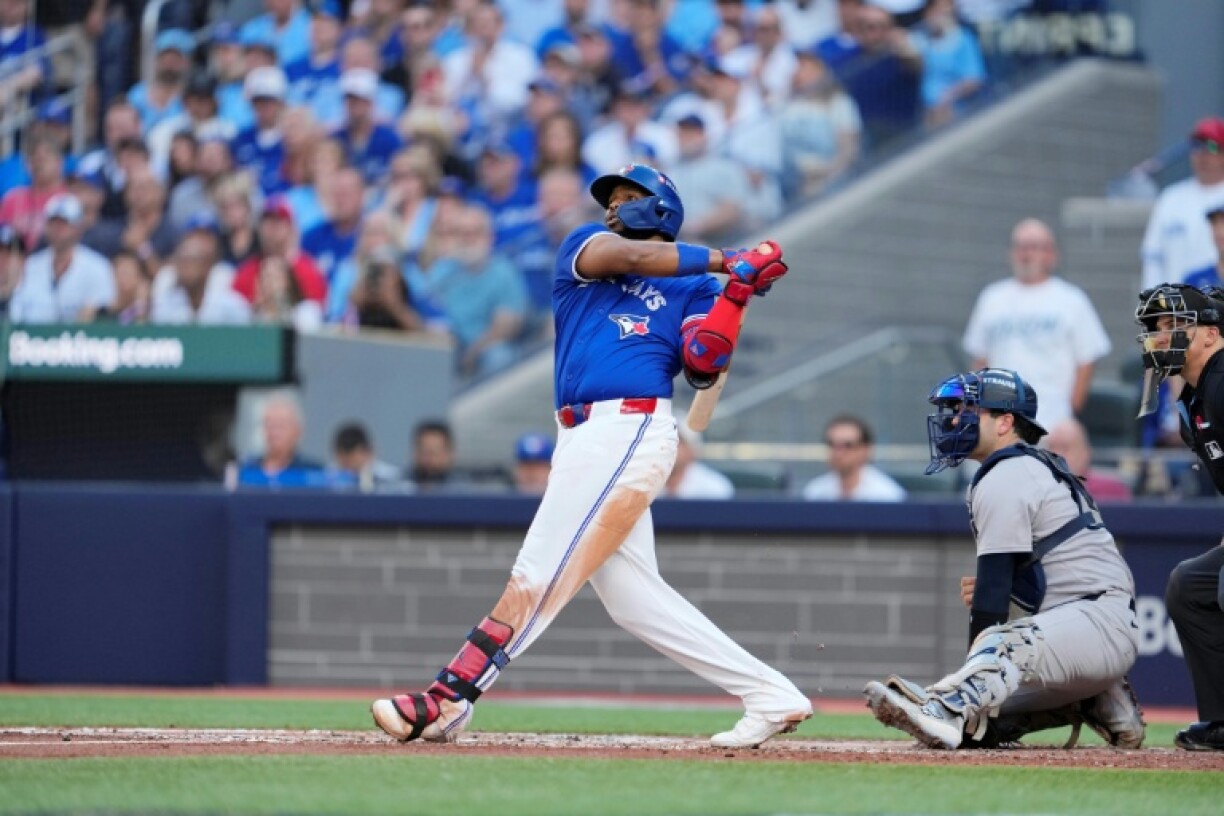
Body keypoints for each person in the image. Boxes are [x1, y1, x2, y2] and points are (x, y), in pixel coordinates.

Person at [370, 162, 811, 749]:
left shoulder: (699, 285)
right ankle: (770, 693)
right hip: (579, 435)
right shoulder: (587, 247)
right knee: (634, 601)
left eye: (628, 196)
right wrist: (730, 260)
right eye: (611, 198)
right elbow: (629, 259)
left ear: (661, 207)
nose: (612, 207)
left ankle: (450, 697)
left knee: (539, 569)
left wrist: (733, 294)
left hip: (630, 426)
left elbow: (704, 362)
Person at [864, 368, 1145, 750]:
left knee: (975, 694)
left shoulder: (1008, 472)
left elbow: (991, 600)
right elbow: (1035, 583)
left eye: (968, 409)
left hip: (1093, 625)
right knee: (979, 728)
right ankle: (1096, 700)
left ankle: (946, 708)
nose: (953, 417)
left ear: (1005, 422)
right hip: (1085, 630)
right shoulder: (1027, 465)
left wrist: (970, 681)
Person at [1135, 283, 1224, 751]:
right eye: (1158, 328)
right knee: (1191, 586)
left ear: (1210, 334)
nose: (1161, 336)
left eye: (1174, 326)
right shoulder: (1196, 394)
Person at [962, 217, 1111, 430]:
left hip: (1051, 424)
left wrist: (1070, 410)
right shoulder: (991, 298)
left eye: (1034, 247)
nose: (1026, 254)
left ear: (1052, 254)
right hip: (1000, 424)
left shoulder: (1071, 299)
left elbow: (1087, 360)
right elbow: (980, 360)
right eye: (1020, 247)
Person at [1141, 118, 1224, 290]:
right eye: (1196, 146)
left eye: (1211, 147)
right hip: (1178, 309)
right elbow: (1153, 258)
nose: (1203, 155)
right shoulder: (1171, 199)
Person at [9, 194, 115, 323]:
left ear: (78, 228)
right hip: (33, 339)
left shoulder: (98, 267)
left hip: (80, 339)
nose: (57, 229)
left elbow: (104, 314)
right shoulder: (31, 265)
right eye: (53, 223)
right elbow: (17, 312)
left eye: (64, 224)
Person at [802, 415, 905, 501]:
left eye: (847, 445)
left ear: (865, 450)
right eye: (832, 444)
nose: (838, 453)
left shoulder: (886, 495)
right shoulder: (815, 492)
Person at [237, 392, 329, 487]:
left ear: (297, 431)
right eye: (269, 425)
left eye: (280, 426)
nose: (274, 432)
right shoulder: (246, 470)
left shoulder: (313, 472)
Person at [1044, 418, 1133, 503]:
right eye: (1051, 447)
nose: (1056, 454)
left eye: (1065, 447)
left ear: (1085, 453)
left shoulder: (1112, 491)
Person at [664, 423, 735, 499]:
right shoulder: (649, 485)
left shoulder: (715, 488)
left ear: (692, 450)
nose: (667, 447)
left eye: (677, 442)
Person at [332, 422, 403, 490]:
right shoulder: (331, 477)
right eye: (344, 459)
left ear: (368, 452)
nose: (348, 465)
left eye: (352, 458)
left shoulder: (391, 477)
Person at [409, 419, 460, 490]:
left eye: (434, 453)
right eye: (423, 452)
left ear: (449, 454)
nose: (428, 459)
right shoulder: (400, 489)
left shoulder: (464, 493)